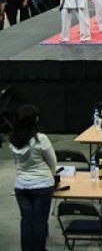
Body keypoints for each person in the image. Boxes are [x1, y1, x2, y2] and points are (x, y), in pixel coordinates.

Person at [10, 104, 56, 251]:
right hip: (42, 185)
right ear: (34, 120)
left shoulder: (13, 140)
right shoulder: (40, 138)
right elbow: (52, 162)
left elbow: (17, 162)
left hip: (21, 185)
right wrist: (51, 178)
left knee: (26, 220)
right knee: (40, 221)